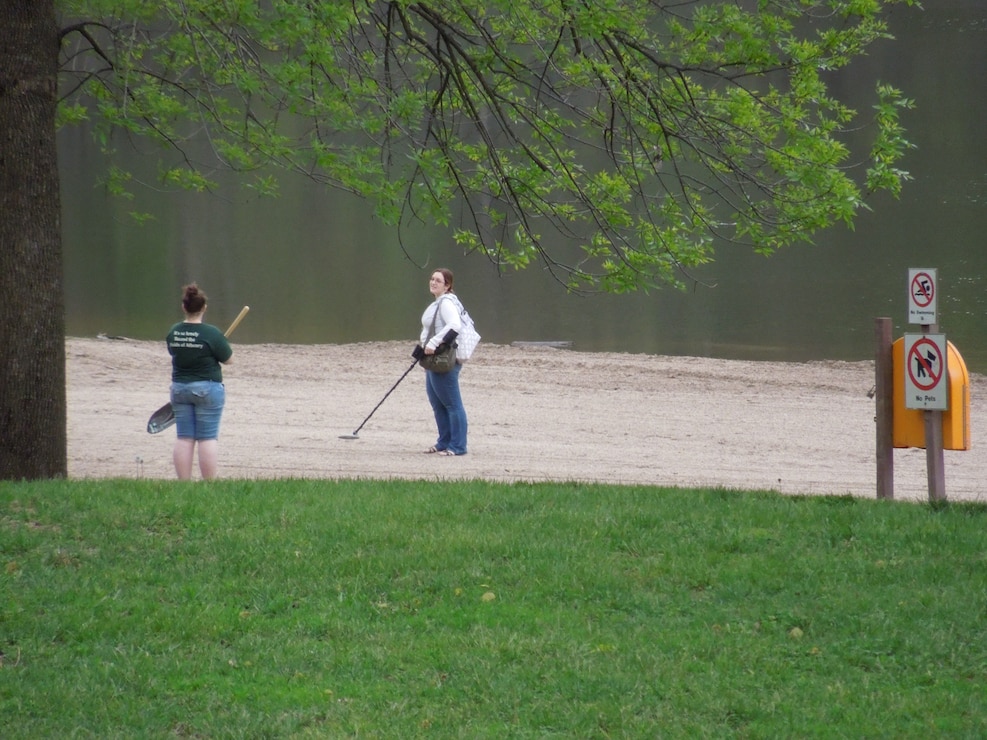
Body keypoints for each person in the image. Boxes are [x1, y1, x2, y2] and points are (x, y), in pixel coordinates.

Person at [166, 283, 233, 479]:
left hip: (179, 389)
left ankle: (184, 483)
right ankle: (209, 484)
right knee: (207, 438)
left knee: (184, 437)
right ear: (204, 308)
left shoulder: (174, 332)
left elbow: (174, 351)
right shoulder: (212, 333)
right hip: (207, 388)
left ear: (184, 307)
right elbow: (229, 359)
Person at [419, 268, 468, 456]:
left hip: (444, 359)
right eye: (432, 279)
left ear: (447, 285)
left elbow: (454, 325)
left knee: (452, 404)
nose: (433, 282)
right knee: (437, 403)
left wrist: (432, 343)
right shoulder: (438, 303)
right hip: (432, 360)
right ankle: (443, 441)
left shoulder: (447, 303)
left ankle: (458, 446)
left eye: (438, 280)